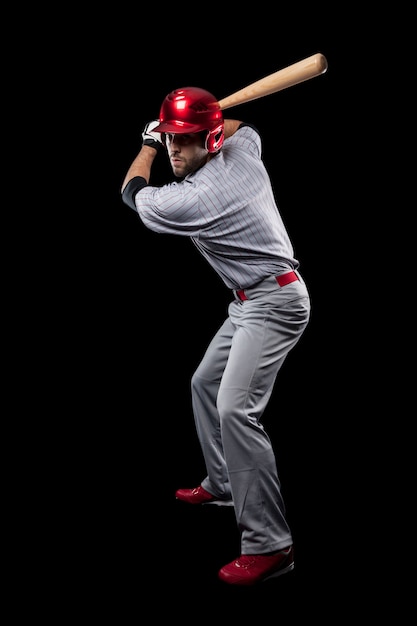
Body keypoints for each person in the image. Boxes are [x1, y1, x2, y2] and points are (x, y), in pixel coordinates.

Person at [121, 87, 311, 586]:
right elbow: (242, 126)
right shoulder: (241, 149)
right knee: (204, 383)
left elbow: (131, 193)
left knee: (235, 408)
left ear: (208, 138)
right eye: (168, 140)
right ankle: (224, 482)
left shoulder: (193, 198)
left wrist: (145, 143)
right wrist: (202, 120)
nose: (173, 151)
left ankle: (272, 545)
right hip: (248, 300)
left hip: (276, 304)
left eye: (184, 140)